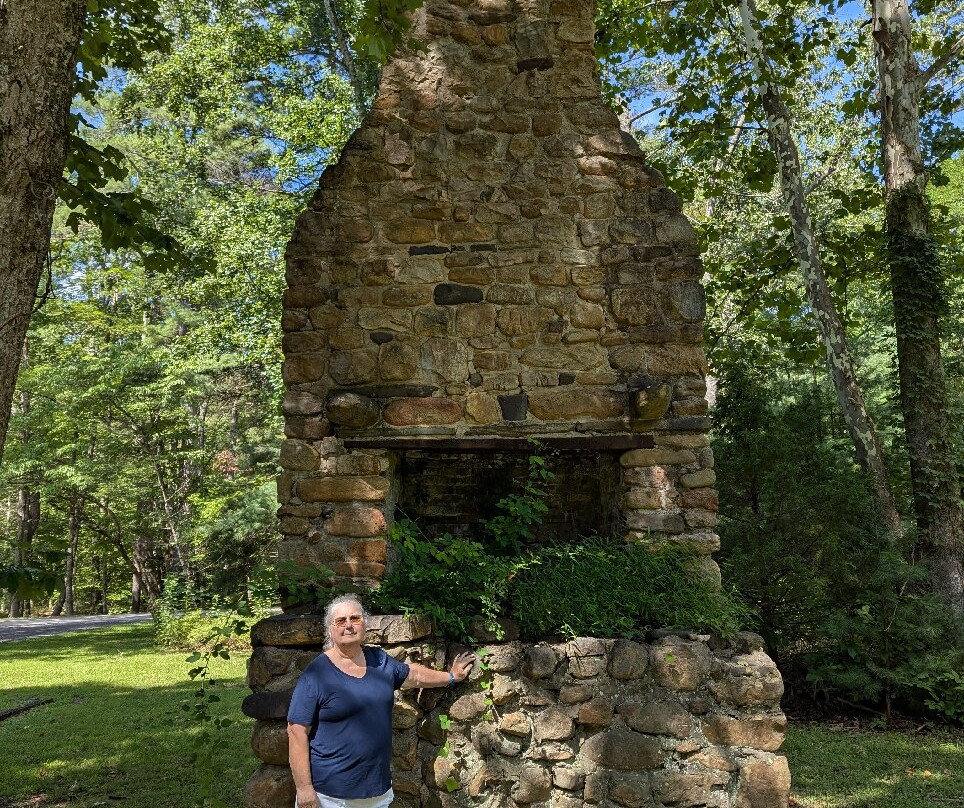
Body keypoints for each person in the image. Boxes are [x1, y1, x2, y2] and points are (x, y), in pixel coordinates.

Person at [287, 594, 476, 808]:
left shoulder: (379, 660)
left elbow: (412, 676)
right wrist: (304, 789)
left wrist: (451, 677)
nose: (348, 625)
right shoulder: (317, 673)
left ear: (364, 624)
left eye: (355, 618)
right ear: (330, 629)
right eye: (341, 621)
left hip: (377, 792)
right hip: (331, 795)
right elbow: (296, 731)